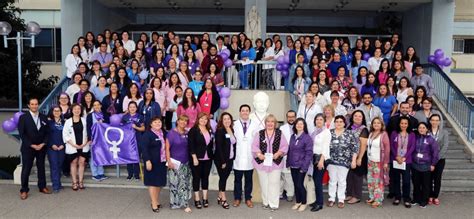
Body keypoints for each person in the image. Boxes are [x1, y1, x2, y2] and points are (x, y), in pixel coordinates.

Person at [252, 114, 289, 211]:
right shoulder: (259, 133)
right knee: (264, 183)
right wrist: (259, 154)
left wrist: (279, 153)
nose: (270, 123)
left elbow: (285, 146)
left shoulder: (279, 133)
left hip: (275, 163)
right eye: (268, 121)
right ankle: (265, 202)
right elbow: (254, 146)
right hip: (262, 163)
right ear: (265, 123)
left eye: (272, 122)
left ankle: (274, 204)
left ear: (275, 123)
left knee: (274, 183)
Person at [17, 98, 51, 199]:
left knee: (41, 168)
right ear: (29, 106)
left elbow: (47, 133)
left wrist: (43, 143)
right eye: (32, 104)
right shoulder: (23, 118)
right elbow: (22, 134)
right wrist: (32, 145)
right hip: (28, 147)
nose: (35, 106)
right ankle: (24, 190)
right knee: (26, 169)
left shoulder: (44, 117)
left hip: (41, 147)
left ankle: (42, 186)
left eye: (36, 104)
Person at [326, 115, 358, 209]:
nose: (339, 123)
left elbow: (355, 148)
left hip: (344, 161)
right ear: (334, 122)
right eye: (337, 121)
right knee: (332, 180)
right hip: (331, 161)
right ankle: (331, 198)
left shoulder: (350, 133)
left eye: (341, 121)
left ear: (344, 123)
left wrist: (354, 160)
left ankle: (341, 199)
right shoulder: (329, 132)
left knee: (342, 181)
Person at [166, 115, 193, 213]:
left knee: (184, 184)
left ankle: (185, 203)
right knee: (174, 184)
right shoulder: (171, 133)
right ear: (177, 121)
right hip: (174, 162)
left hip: (186, 162)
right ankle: (175, 203)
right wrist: (169, 161)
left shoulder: (187, 133)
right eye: (181, 120)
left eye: (186, 121)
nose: (183, 122)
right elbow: (167, 149)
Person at [233, 104, 258, 208]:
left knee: (249, 180)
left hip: (249, 157)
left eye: (247, 110)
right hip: (238, 157)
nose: (244, 112)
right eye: (242, 110)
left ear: (249, 112)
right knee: (237, 180)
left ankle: (248, 198)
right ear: (240, 112)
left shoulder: (255, 124)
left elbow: (257, 140)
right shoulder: (234, 124)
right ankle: (237, 198)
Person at [188, 112, 214, 209]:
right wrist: (194, 157)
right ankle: (197, 199)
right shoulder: (193, 130)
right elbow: (191, 145)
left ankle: (205, 198)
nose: (203, 121)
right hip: (197, 158)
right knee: (196, 178)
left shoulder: (209, 129)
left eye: (205, 119)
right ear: (198, 119)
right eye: (201, 119)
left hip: (208, 158)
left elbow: (210, 144)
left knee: (205, 178)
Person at [287, 118, 313, 212]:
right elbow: (290, 150)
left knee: (300, 184)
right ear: (295, 126)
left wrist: (304, 166)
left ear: (304, 126)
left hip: (301, 165)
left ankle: (304, 202)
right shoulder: (292, 136)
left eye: (301, 124)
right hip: (293, 164)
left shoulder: (307, 137)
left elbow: (309, 153)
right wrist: (288, 162)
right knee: (295, 184)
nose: (299, 125)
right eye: (297, 124)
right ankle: (298, 202)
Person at [142, 117, 168, 213]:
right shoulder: (147, 135)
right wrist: (147, 161)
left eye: (159, 121)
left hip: (162, 162)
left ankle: (156, 201)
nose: (158, 123)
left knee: (159, 183)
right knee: (152, 183)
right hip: (152, 162)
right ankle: (153, 203)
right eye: (155, 122)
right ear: (151, 124)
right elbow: (144, 149)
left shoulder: (164, 133)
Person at [411, 122, 439, 208]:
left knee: (425, 184)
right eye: (420, 128)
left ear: (427, 129)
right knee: (416, 183)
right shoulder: (415, 138)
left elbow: (435, 153)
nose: (421, 129)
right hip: (415, 165)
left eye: (423, 128)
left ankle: (424, 200)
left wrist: (433, 164)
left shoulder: (431, 139)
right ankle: (416, 199)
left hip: (426, 165)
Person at [390, 116, 416, 208]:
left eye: (405, 123)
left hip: (407, 161)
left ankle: (406, 198)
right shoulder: (394, 133)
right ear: (399, 124)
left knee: (406, 181)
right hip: (395, 159)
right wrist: (397, 156)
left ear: (408, 124)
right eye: (402, 123)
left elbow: (412, 147)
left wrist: (405, 157)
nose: (403, 125)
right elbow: (391, 146)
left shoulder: (412, 134)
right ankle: (397, 197)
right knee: (396, 180)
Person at [63, 104, 90, 191]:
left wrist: (85, 143)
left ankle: (81, 181)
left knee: (82, 163)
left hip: (83, 145)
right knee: (73, 163)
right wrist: (73, 144)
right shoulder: (68, 122)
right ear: (72, 110)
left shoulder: (84, 121)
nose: (77, 110)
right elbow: (65, 134)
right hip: (72, 146)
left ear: (81, 111)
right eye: (75, 109)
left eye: (79, 109)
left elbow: (88, 133)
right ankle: (74, 182)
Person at [345, 110, 369, 204]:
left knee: (357, 176)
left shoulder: (364, 129)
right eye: (356, 116)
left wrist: (359, 158)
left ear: (362, 118)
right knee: (349, 175)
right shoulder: (349, 127)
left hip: (360, 156)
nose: (357, 118)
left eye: (360, 116)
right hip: (349, 155)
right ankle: (349, 193)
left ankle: (357, 196)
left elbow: (363, 145)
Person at [366, 117, 390, 208]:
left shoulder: (384, 134)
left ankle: (378, 199)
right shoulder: (371, 133)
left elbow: (387, 149)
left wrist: (386, 162)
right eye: (374, 123)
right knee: (370, 180)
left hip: (379, 161)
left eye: (378, 123)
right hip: (370, 160)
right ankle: (372, 197)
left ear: (382, 125)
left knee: (378, 181)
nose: (376, 124)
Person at [214, 112, 237, 209]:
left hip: (230, 158)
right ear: (221, 121)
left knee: (224, 178)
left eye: (228, 119)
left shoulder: (231, 129)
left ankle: (219, 196)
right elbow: (218, 147)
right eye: (225, 119)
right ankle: (223, 198)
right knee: (223, 178)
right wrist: (223, 161)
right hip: (221, 160)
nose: (227, 121)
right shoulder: (220, 131)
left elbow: (233, 143)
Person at [310, 114, 331, 212]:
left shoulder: (326, 132)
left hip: (321, 159)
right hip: (314, 158)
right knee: (315, 180)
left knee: (318, 182)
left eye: (321, 119)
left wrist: (321, 161)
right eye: (317, 119)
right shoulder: (314, 132)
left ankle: (319, 203)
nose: (318, 121)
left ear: (324, 121)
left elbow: (326, 147)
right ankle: (316, 201)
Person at [121, 101, 146, 180]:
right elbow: (121, 128)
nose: (132, 108)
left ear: (136, 108)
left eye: (134, 107)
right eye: (130, 107)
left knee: (136, 157)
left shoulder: (140, 116)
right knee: (128, 157)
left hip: (137, 139)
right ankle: (130, 174)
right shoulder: (125, 117)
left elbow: (143, 128)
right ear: (128, 108)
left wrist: (136, 127)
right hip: (128, 140)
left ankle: (136, 175)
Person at [428, 114, 448, 205]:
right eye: (433, 120)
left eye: (437, 120)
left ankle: (435, 196)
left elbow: (445, 146)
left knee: (437, 178)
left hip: (440, 159)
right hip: (428, 159)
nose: (435, 122)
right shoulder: (427, 131)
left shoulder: (444, 132)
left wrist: (436, 158)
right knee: (429, 178)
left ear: (439, 122)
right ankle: (429, 195)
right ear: (430, 121)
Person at [86, 100, 108, 181]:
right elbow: (88, 128)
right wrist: (89, 138)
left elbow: (108, 126)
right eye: (94, 105)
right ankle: (95, 174)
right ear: (93, 107)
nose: (96, 106)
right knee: (93, 156)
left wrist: (103, 123)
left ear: (101, 105)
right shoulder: (90, 116)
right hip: (94, 139)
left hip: (103, 139)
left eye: (98, 105)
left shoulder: (105, 115)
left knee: (101, 156)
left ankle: (101, 173)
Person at [47, 106, 66, 193]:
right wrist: (52, 145)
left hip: (61, 147)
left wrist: (63, 144)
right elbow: (46, 135)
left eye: (58, 111)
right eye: (55, 111)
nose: (57, 112)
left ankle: (58, 183)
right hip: (52, 147)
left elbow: (67, 135)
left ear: (61, 112)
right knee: (54, 165)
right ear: (52, 112)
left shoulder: (64, 122)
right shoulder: (48, 122)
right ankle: (55, 186)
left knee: (59, 165)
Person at [279, 110, 296, 202]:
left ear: (295, 117)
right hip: (283, 155)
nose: (291, 118)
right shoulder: (282, 128)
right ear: (286, 118)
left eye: (292, 116)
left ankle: (290, 194)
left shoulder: (299, 127)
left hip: (294, 155)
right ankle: (279, 193)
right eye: (289, 116)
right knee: (281, 175)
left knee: (289, 176)